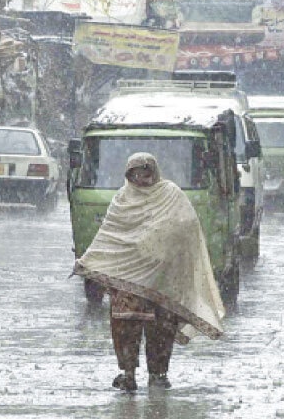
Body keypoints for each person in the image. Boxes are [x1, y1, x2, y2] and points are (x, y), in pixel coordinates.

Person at [73, 152, 225, 391]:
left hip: (163, 278)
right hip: (128, 281)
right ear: (128, 175)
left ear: (155, 172)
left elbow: (187, 225)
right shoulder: (122, 200)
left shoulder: (171, 194)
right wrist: (91, 261)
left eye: (146, 173)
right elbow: (111, 236)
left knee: (161, 330)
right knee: (125, 328)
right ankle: (128, 374)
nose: (142, 179)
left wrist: (163, 242)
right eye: (136, 174)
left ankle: (158, 374)